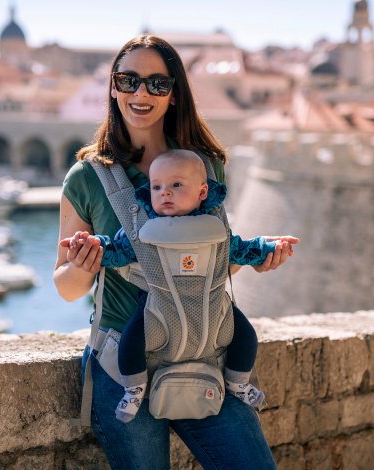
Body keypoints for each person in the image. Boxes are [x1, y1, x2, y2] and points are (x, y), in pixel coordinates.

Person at [54, 34, 298, 470]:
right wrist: (81, 266)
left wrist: (254, 259)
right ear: (112, 87)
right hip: (122, 366)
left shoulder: (205, 165)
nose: (141, 93)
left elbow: (210, 265)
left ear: (174, 93)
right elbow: (67, 289)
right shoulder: (87, 177)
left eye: (156, 84)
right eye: (128, 81)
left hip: (204, 356)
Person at [61, 149, 289, 423]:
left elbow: (240, 250)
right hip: (157, 308)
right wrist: (91, 246)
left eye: (176, 185)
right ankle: (134, 388)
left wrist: (268, 249)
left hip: (212, 308)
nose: (165, 193)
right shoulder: (142, 228)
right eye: (156, 187)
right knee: (131, 340)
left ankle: (238, 382)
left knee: (245, 335)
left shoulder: (215, 227)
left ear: (203, 192)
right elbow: (116, 250)